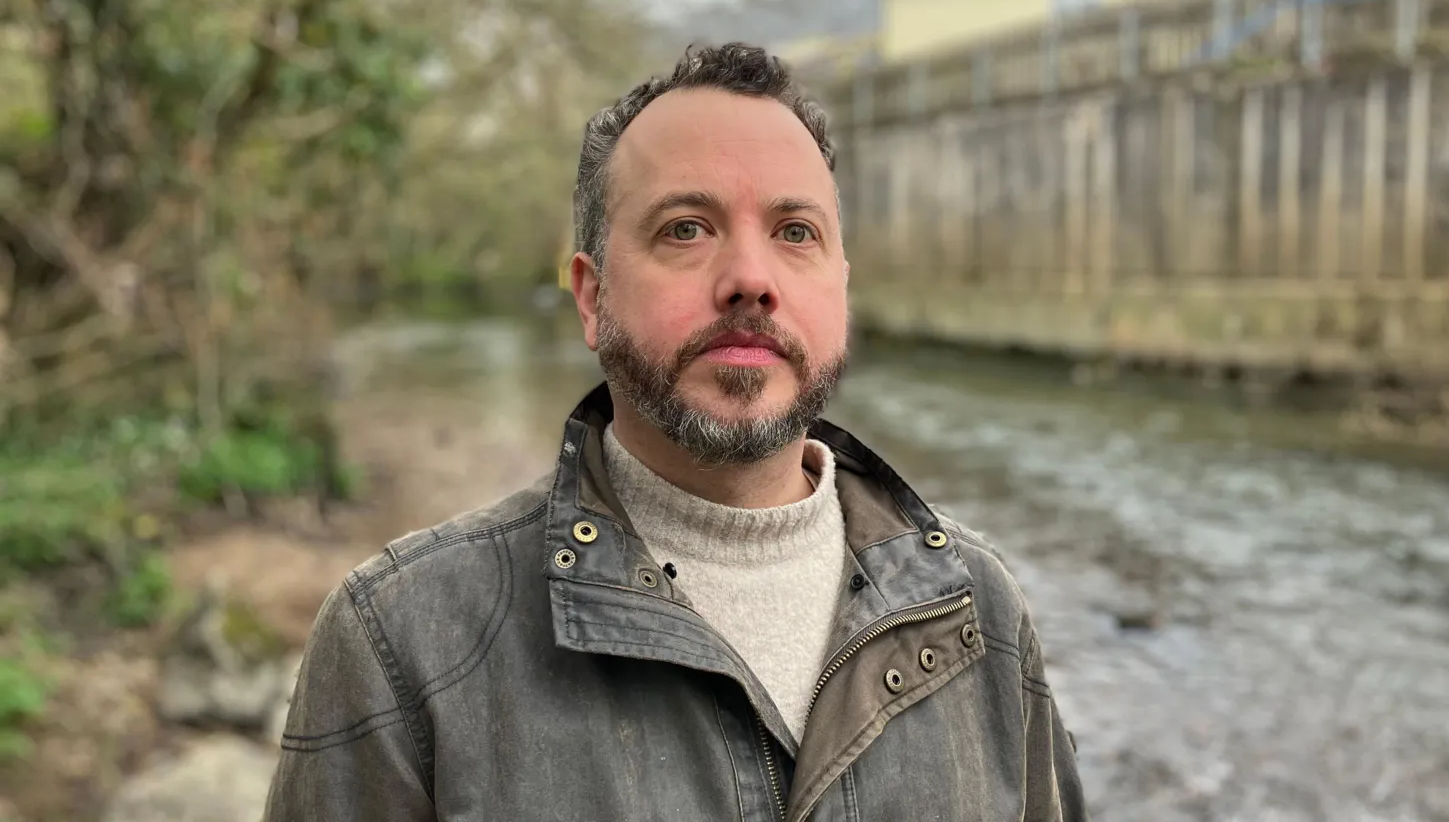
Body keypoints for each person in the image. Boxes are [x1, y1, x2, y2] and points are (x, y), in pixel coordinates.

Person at [264, 42, 1088, 822]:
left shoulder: (979, 607)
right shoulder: (400, 642)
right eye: (686, 228)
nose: (751, 280)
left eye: (795, 232)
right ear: (592, 297)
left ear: (840, 288)